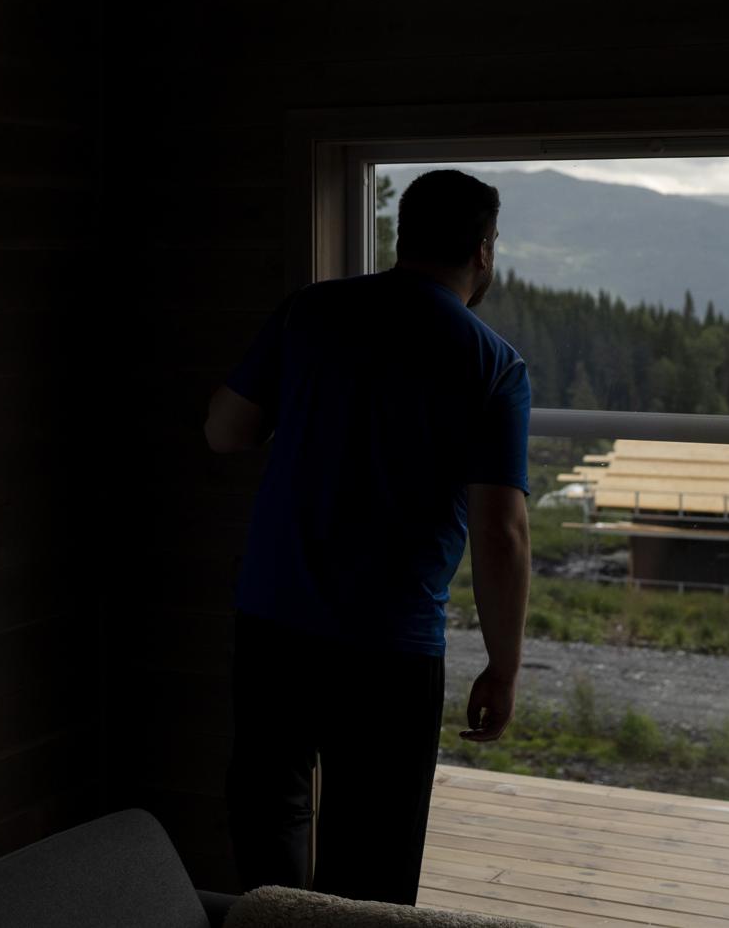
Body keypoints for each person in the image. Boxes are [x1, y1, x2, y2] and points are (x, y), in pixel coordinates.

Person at [203, 168, 533, 905]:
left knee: (268, 828)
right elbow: (501, 534)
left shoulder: (310, 313)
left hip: (272, 622)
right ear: (482, 252)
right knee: (371, 867)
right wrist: (504, 666)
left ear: (402, 235)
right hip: (389, 648)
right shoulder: (492, 364)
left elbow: (224, 431)